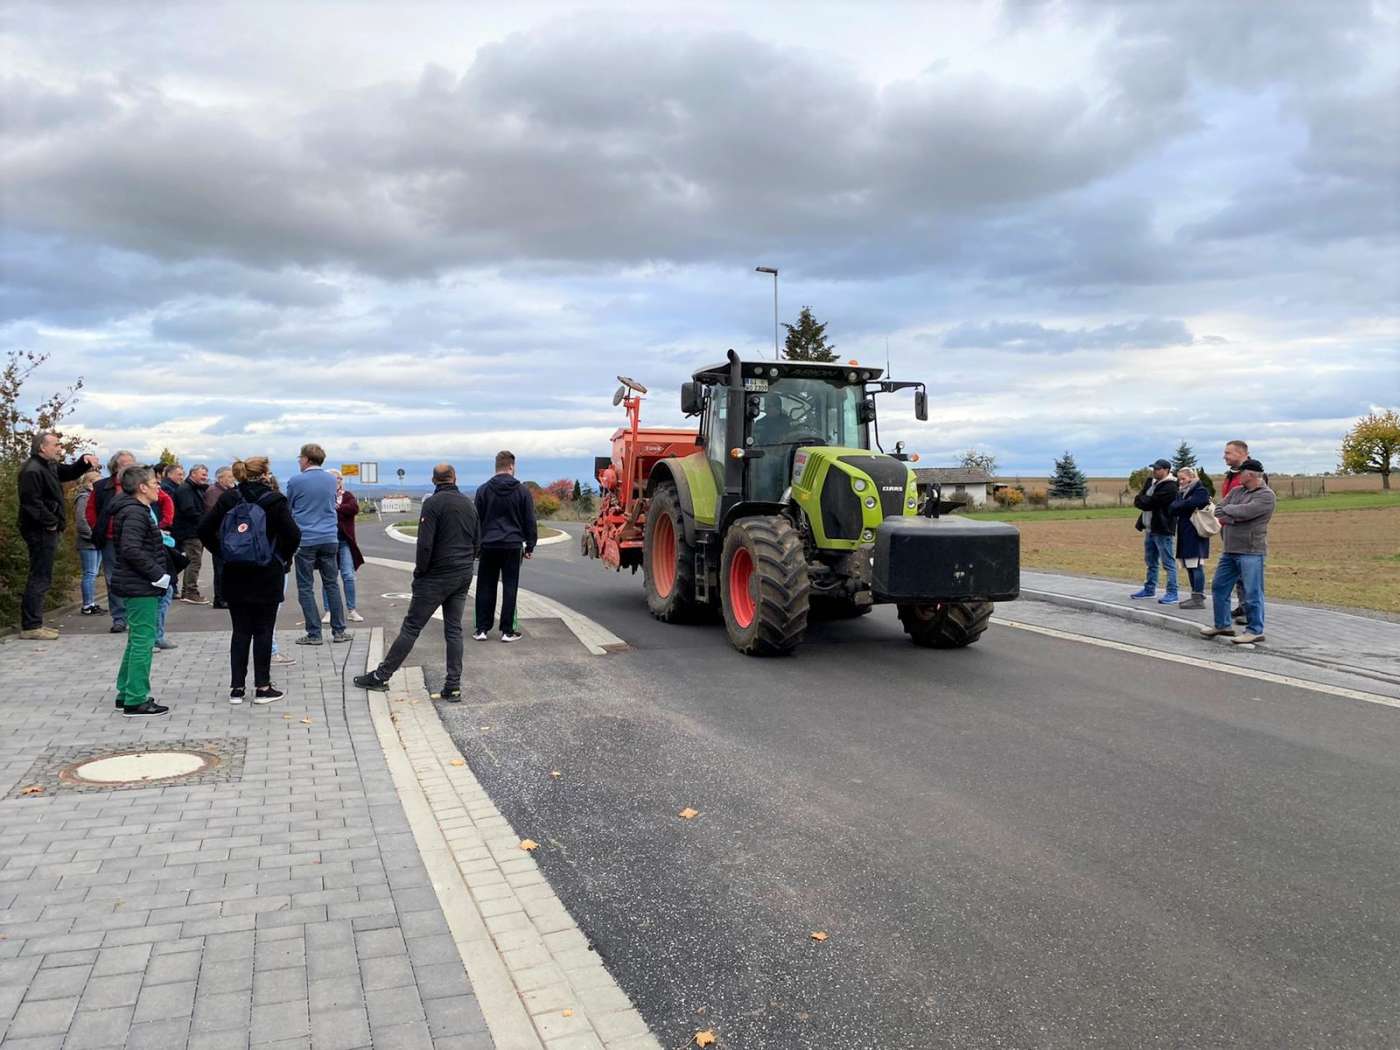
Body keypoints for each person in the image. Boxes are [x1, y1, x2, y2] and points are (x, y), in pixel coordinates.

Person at [355, 464, 478, 699]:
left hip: (435, 575)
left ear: (434, 480)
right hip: (462, 573)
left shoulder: (432, 504)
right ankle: (453, 685)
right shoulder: (468, 504)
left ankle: (381, 676)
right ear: (455, 478)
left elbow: (425, 543)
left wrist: (421, 572)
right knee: (453, 630)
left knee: (412, 627)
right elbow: (477, 541)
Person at [199, 457, 301, 704]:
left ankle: (236, 689)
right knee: (264, 630)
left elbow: (204, 529)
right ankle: (263, 687)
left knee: (240, 631)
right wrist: (281, 558)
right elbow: (293, 535)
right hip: (267, 573)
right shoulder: (274, 500)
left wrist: (224, 553)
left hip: (235, 573)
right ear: (265, 473)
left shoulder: (229, 498)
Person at [16, 431, 100, 639]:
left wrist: (84, 461)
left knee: (43, 575)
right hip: (39, 530)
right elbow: (31, 503)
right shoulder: (32, 470)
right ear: (42, 447)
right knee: (40, 576)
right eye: (55, 445)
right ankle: (32, 626)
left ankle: (34, 623)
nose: (59, 448)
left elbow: (70, 472)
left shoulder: (49, 466)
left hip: (46, 529)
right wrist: (51, 522)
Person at [109, 465, 171, 717]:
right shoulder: (135, 513)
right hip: (141, 585)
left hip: (137, 583)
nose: (159, 487)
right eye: (154, 483)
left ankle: (126, 692)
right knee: (143, 641)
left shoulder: (135, 510)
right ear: (142, 487)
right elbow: (131, 549)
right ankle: (136, 699)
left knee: (136, 639)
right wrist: (157, 574)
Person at [1202, 459, 1276, 645]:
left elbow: (1247, 511)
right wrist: (1235, 515)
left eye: (1240, 473)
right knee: (1219, 586)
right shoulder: (1236, 491)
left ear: (1250, 474)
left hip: (1251, 551)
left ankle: (1255, 630)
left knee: (1252, 592)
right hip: (1230, 549)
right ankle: (1222, 625)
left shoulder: (1266, 496)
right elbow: (1218, 510)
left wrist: (1232, 514)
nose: (1238, 476)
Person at [285, 442, 348, 644]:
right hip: (329, 537)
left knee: (305, 587)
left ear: (306, 459)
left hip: (306, 538)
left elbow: (290, 506)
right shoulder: (331, 480)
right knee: (332, 583)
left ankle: (314, 633)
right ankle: (339, 630)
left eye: (300, 458)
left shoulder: (296, 481)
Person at [474, 449, 537, 642]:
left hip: (488, 545)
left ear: (496, 467)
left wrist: (476, 547)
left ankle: (482, 629)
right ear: (511, 466)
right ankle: (507, 630)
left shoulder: (483, 490)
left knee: (485, 586)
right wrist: (530, 546)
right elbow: (529, 520)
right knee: (510, 587)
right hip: (512, 544)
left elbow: (477, 521)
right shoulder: (522, 491)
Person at [87, 449, 136, 632]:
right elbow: (90, 511)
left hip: (133, 538)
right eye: (124, 463)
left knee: (134, 577)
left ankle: (134, 616)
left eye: (131, 463)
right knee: (112, 578)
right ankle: (119, 617)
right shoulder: (102, 486)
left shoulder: (140, 485)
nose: (128, 466)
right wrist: (97, 527)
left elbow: (160, 501)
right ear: (115, 466)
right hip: (109, 539)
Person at [1130, 458, 1180, 605]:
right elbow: (1138, 501)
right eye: (1154, 468)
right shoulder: (1151, 482)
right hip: (1149, 528)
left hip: (1163, 529)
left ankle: (1172, 592)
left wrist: (1145, 499)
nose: (1154, 471)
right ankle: (1149, 589)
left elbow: (1149, 503)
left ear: (1166, 470)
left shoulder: (1171, 486)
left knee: (1168, 562)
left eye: (1158, 469)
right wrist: (1144, 499)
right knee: (1151, 561)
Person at [320, 469, 365, 624]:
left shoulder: (348, 496)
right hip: (327, 541)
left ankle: (352, 610)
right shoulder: (322, 497)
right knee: (329, 578)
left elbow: (353, 508)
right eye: (332, 479)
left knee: (348, 576)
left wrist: (336, 508)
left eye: (338, 479)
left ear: (341, 480)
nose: (336, 481)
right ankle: (329, 611)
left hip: (344, 542)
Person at [1169, 466, 1211, 609]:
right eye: (1179, 479)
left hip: (1195, 534)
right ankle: (1195, 594)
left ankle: (1198, 597)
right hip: (1184, 533)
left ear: (1192, 478)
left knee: (1196, 565)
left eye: (1184, 478)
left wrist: (1182, 505)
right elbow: (1172, 508)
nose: (1181, 482)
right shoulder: (1182, 493)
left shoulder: (1200, 490)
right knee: (1189, 566)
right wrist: (1183, 505)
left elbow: (1196, 502)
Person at [151, 463, 182, 652]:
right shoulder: (137, 509)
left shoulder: (147, 506)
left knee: (166, 593)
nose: (158, 487)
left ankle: (157, 636)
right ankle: (152, 638)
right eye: (154, 483)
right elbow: (134, 544)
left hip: (158, 554)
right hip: (151, 562)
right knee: (158, 597)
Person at [1220, 439, 1251, 623]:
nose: (1224, 456)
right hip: (1227, 527)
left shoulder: (1252, 473)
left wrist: (1227, 511)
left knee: (1246, 570)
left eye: (1228, 453)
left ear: (1241, 453)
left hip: (1243, 530)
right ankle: (1242, 604)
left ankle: (1250, 609)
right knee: (1236, 570)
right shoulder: (1231, 474)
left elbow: (1247, 506)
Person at [175, 463, 211, 603]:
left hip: (194, 530)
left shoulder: (195, 488)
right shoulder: (186, 489)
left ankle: (187, 591)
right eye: (203, 474)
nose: (205, 477)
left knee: (193, 561)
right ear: (193, 474)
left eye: (206, 475)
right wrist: (205, 521)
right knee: (194, 562)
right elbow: (189, 510)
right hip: (190, 531)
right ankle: (190, 591)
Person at [73, 469, 105, 616]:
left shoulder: (93, 497)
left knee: (94, 572)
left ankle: (91, 602)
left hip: (95, 541)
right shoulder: (84, 498)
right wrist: (92, 535)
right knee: (90, 573)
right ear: (91, 482)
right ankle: (87, 604)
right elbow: (81, 521)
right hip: (88, 542)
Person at [205, 466, 235, 608]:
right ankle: (220, 598)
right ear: (220, 478)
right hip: (219, 535)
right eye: (228, 477)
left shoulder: (227, 492)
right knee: (220, 568)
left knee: (226, 568)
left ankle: (226, 596)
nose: (231, 479)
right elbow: (214, 513)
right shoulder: (213, 492)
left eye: (232, 476)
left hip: (227, 534)